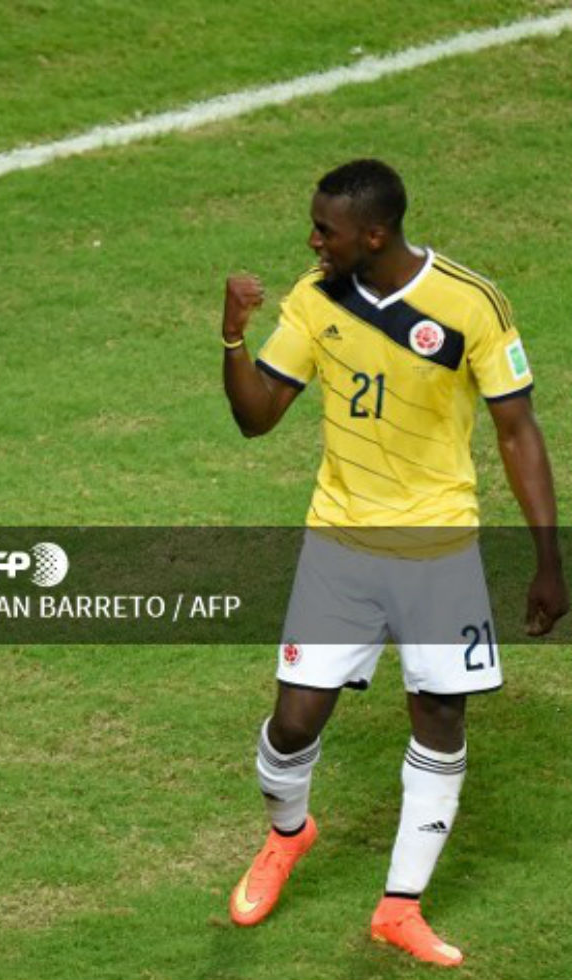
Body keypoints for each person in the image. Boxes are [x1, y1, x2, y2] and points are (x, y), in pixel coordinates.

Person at [219, 159, 566, 966]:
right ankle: (288, 834)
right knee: (293, 723)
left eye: (324, 230)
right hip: (339, 545)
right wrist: (233, 335)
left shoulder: (471, 304)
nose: (312, 240)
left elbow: (518, 431)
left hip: (439, 549)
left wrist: (548, 558)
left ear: (373, 234)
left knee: (441, 719)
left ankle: (399, 905)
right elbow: (257, 417)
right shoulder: (315, 297)